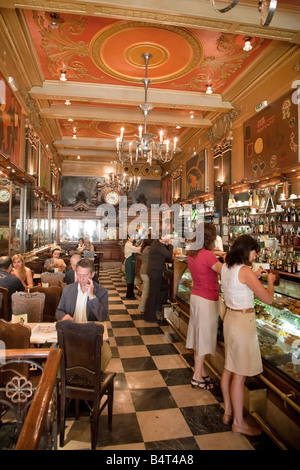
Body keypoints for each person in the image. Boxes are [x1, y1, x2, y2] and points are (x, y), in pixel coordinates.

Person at [220, 234, 275, 437]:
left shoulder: (227, 267)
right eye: (254, 252)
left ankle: (227, 412)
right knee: (239, 375)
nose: (255, 255)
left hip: (230, 319)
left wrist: (255, 275)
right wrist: (269, 280)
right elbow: (268, 299)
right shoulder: (245, 271)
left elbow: (242, 282)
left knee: (229, 367)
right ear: (246, 250)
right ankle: (238, 423)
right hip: (243, 324)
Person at [56, 258, 110, 370]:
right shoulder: (68, 290)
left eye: (85, 275)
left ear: (93, 274)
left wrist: (92, 297)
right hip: (70, 334)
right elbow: (59, 311)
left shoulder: (101, 292)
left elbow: (102, 317)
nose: (81, 279)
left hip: (91, 336)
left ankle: (93, 380)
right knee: (54, 354)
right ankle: (65, 381)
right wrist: (63, 316)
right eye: (78, 275)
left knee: (106, 354)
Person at [186, 223, 222, 390]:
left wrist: (216, 254)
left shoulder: (192, 253)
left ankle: (201, 372)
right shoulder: (208, 256)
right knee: (203, 339)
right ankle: (197, 377)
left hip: (196, 297)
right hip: (207, 299)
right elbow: (225, 273)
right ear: (210, 238)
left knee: (198, 338)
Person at [144, 235, 173, 323]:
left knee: (164, 286)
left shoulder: (156, 243)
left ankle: (158, 308)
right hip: (155, 271)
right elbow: (168, 254)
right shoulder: (158, 245)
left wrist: (167, 244)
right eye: (166, 236)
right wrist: (171, 245)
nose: (168, 237)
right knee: (153, 293)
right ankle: (150, 316)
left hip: (154, 271)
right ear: (161, 237)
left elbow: (165, 252)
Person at [138, 238, 152, 313]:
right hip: (146, 272)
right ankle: (142, 308)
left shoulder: (144, 248)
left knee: (145, 290)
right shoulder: (148, 249)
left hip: (143, 271)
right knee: (146, 291)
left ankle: (143, 307)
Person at [124, 235, 141, 299]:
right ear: (128, 238)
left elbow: (135, 248)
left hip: (131, 262)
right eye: (132, 237)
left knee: (131, 278)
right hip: (129, 263)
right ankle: (129, 294)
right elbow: (136, 249)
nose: (133, 238)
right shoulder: (128, 244)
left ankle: (130, 294)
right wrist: (142, 246)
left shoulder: (130, 244)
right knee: (130, 278)